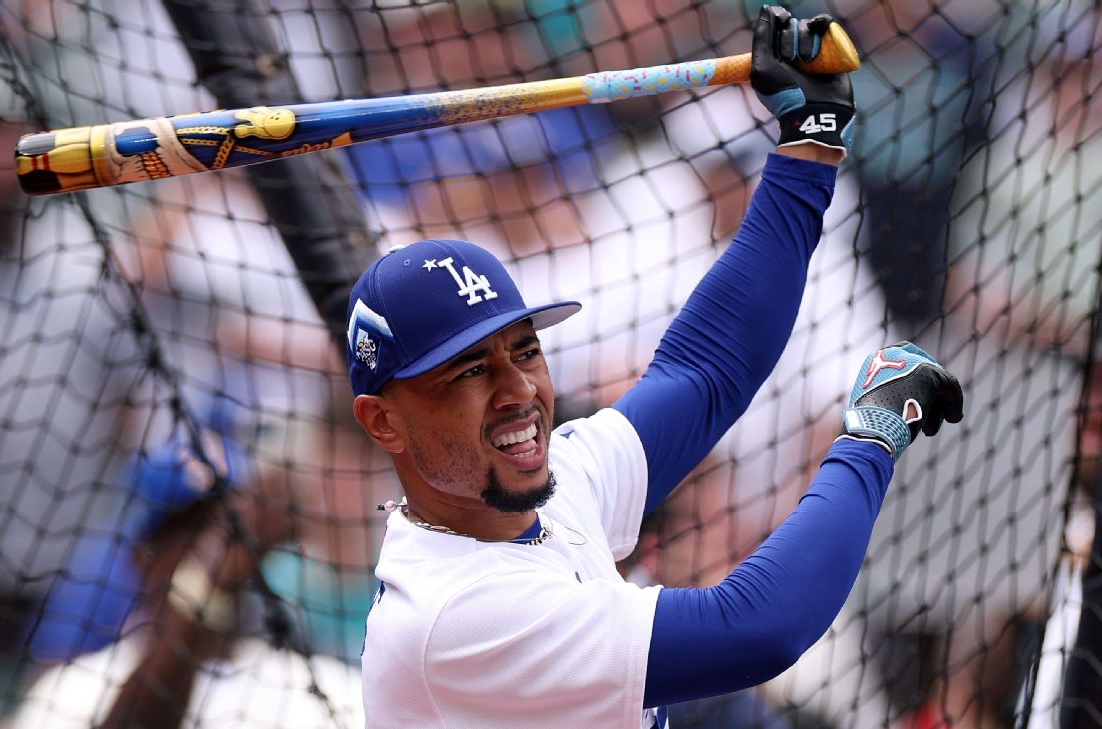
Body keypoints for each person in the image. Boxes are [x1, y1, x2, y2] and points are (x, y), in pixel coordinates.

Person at [344, 8, 964, 728]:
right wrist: (872, 435)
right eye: (468, 373)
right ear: (383, 419)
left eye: (524, 351)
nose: (520, 392)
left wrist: (808, 146)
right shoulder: (455, 617)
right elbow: (761, 625)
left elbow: (704, 371)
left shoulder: (541, 491)